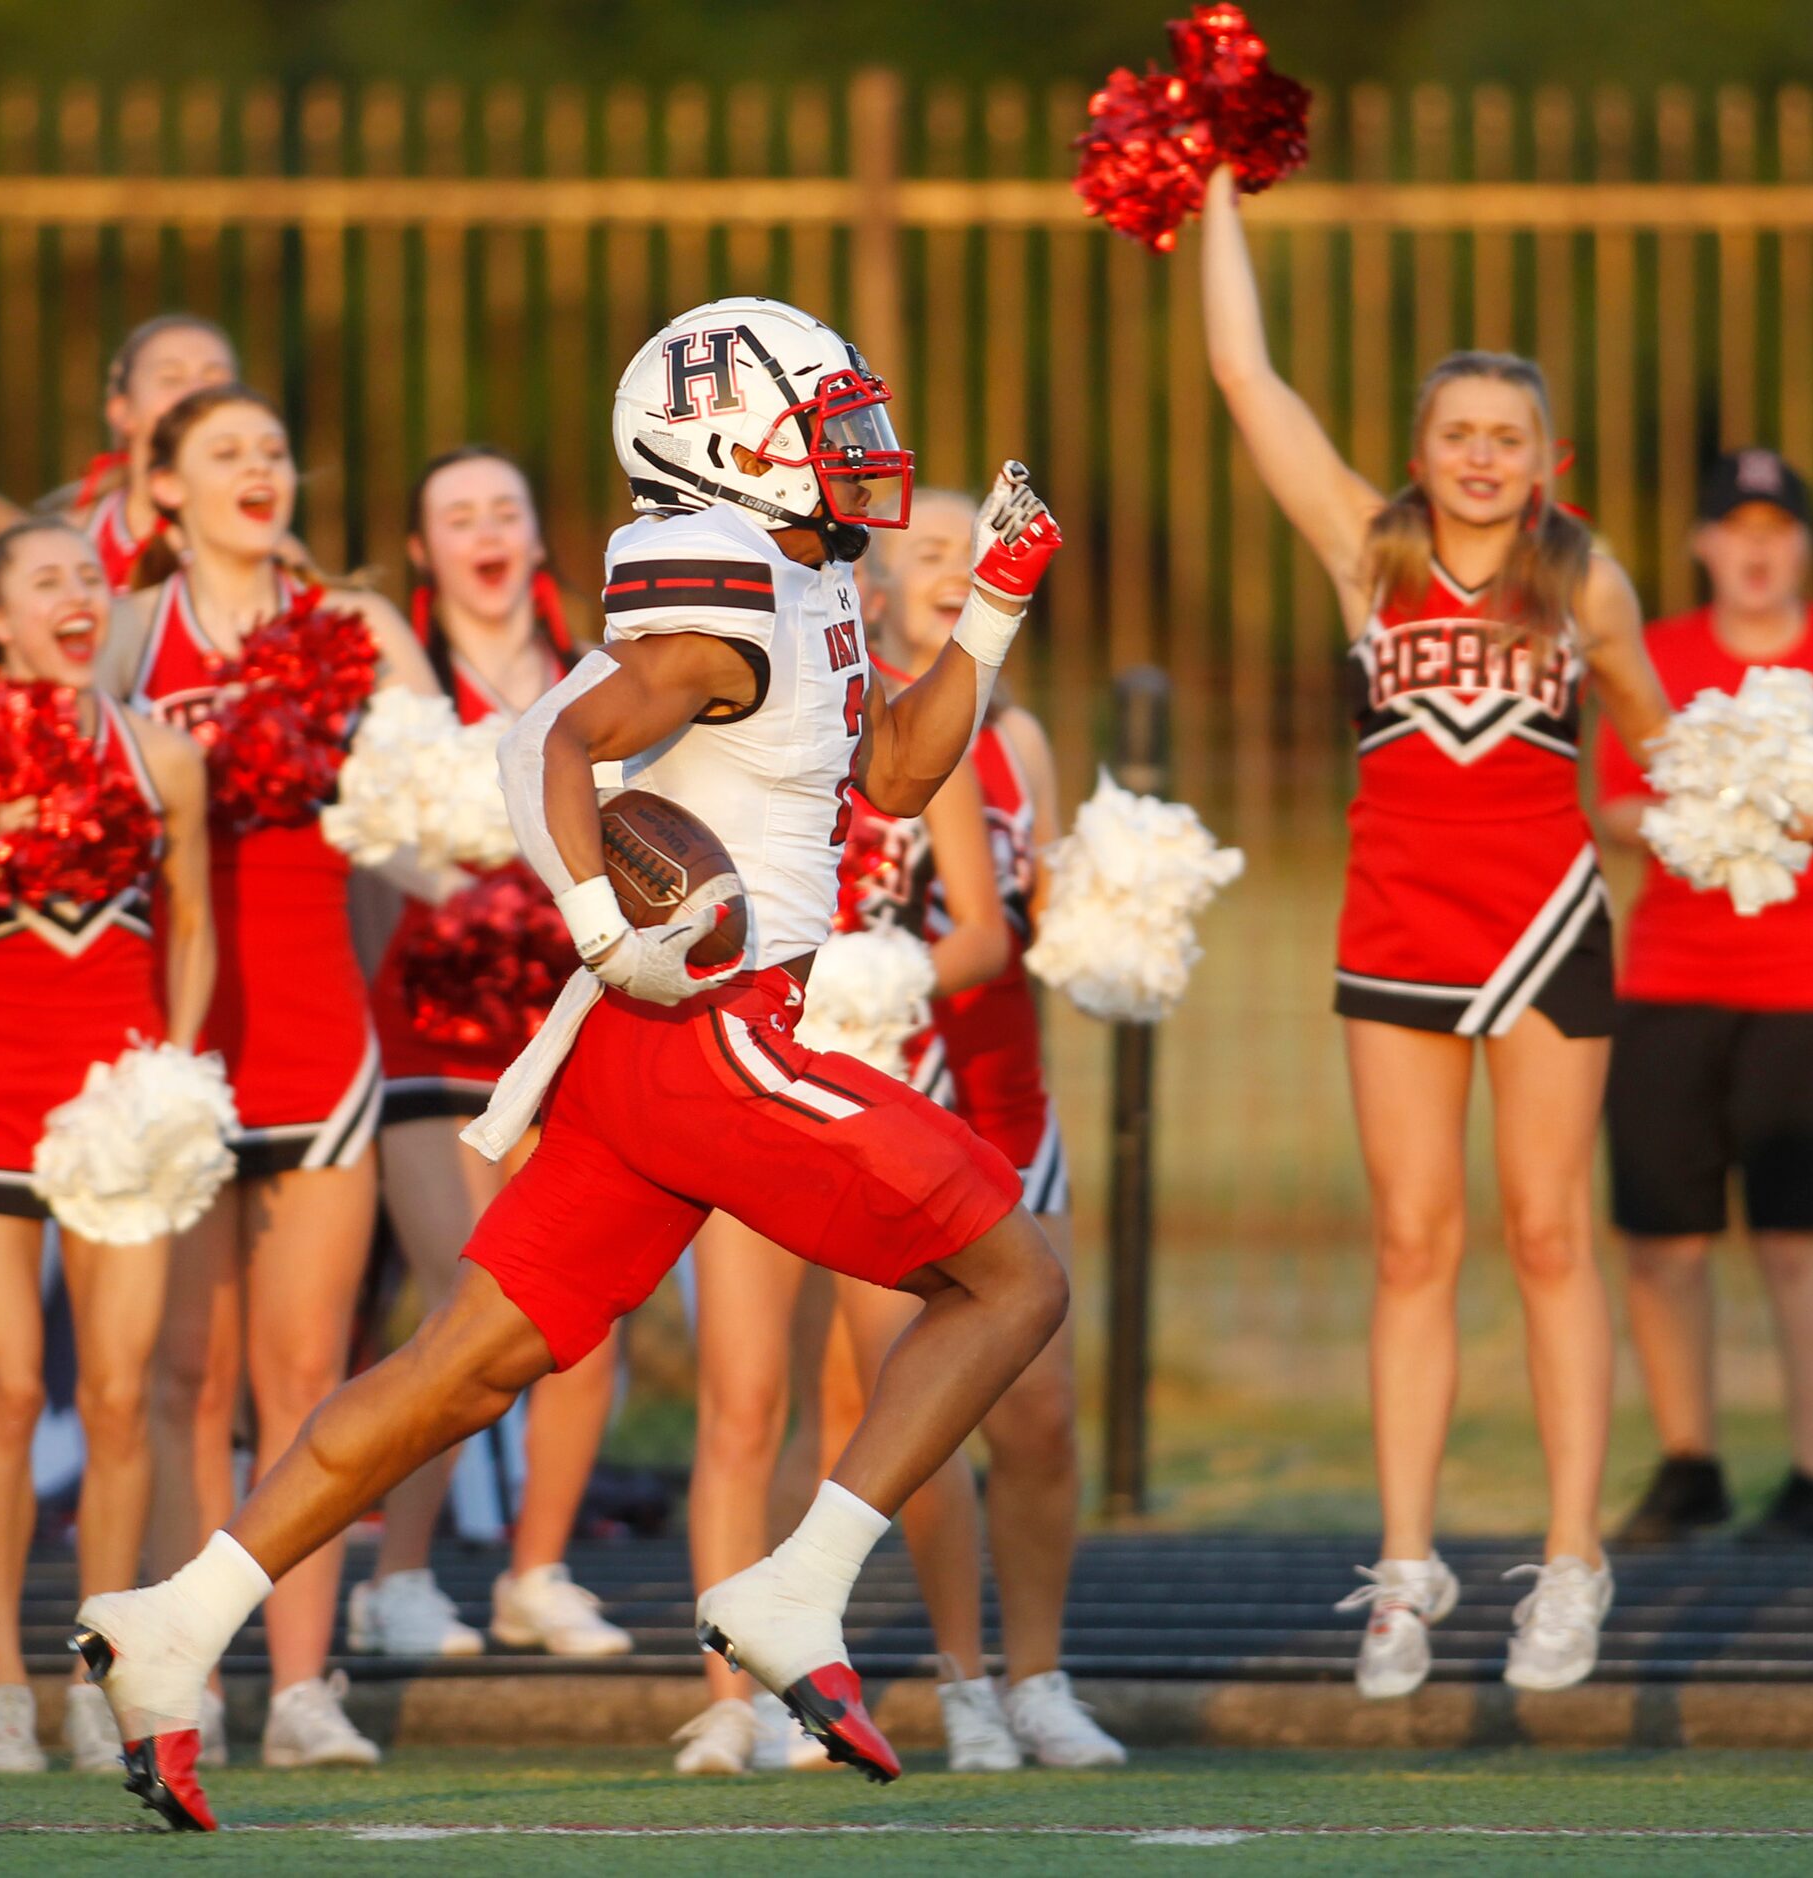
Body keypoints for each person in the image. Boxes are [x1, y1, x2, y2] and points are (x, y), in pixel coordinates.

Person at [71, 297, 1070, 1832]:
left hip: (642, 1060)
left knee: (461, 1364)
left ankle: (171, 1623)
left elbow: (893, 775)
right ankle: (797, 1589)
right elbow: (550, 739)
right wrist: (605, 924)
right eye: (825, 424)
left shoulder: (801, 578)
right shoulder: (721, 602)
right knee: (1014, 1275)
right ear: (727, 447)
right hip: (715, 1027)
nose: (857, 449)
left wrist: (987, 610)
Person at [1200, 168, 1672, 1698]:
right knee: (1411, 1240)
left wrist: (1739, 834)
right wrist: (1208, 185)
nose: (1479, 459)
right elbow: (1243, 376)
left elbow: (1667, 762)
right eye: (1456, 434)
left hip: (1545, 928)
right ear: (1419, 453)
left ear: (1547, 461)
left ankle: (1571, 1559)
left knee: (1546, 1233)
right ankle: (1404, 1568)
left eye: (1507, 439)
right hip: (1395, 924)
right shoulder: (1366, 548)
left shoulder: (1585, 575)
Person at [726, 489, 1126, 1771]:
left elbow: (1018, 919)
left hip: (1005, 1097)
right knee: (903, 1399)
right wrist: (854, 987)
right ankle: (957, 1680)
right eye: (930, 551)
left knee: (1044, 1411)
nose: (957, 568)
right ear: (877, 584)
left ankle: (1039, 1677)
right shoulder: (835, 712)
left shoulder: (1019, 736)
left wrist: (1125, 916)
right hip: (868, 1103)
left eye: (973, 550)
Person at [100, 383, 431, 1772]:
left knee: (308, 1372)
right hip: (181, 1032)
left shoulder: (354, 627)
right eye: (224, 452)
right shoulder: (127, 629)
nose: (260, 469)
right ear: (161, 487)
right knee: (190, 1372)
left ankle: (304, 1685)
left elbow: (439, 790)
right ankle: (192, 1668)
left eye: (275, 450)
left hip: (315, 1026)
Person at [669, 518, 1014, 1777]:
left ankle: (965, 1685)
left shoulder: (911, 733)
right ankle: (733, 1699)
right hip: (741, 1084)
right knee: (743, 1398)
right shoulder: (716, 731)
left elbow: (980, 930)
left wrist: (891, 970)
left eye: (845, 587)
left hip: (870, 1091)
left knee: (902, 1399)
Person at [0, 519, 213, 1773]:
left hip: (117, 1099)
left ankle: (93, 1673)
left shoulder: (162, 755)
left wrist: (175, 1066)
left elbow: (191, 932)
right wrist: (3, 854)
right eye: (47, 582)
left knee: (119, 1397)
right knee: (10, 1386)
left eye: (91, 577)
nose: (79, 596)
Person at [346, 445, 630, 1664]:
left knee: (587, 1313)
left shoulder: (605, 680)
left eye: (505, 508)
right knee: (473, 1300)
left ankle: (536, 1569)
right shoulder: (400, 685)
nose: (485, 530)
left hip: (568, 1032)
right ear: (423, 551)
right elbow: (366, 837)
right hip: (431, 1032)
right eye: (456, 514)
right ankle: (397, 1578)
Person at [1593, 450, 1813, 1546]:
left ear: (1803, 544)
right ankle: (1690, 1461)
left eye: (1777, 527)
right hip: (1671, 979)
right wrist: (1715, 809)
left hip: (1812, 983)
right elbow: (1619, 805)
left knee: (1799, 1237)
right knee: (1663, 1240)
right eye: (1736, 526)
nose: (1757, 547)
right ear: (1703, 544)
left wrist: (1805, 813)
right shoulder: (1660, 654)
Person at [49, 315, 240, 590]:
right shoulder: (65, 543)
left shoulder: (271, 554)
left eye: (214, 379)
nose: (196, 393)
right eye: (171, 378)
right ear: (123, 412)